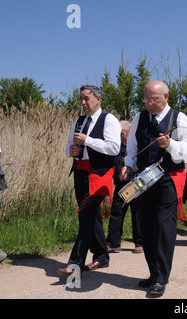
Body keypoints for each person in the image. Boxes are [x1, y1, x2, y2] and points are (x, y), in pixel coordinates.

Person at [121, 81, 187, 296]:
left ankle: (162, 278)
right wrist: (128, 165)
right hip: (143, 180)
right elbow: (133, 146)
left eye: (154, 99)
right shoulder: (139, 117)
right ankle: (153, 273)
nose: (149, 103)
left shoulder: (178, 118)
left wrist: (170, 144)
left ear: (166, 97)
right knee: (147, 227)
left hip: (167, 179)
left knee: (164, 228)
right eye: (146, 98)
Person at [58, 85, 121, 277]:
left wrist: (87, 141)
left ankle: (74, 264)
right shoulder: (78, 121)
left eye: (87, 99)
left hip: (99, 175)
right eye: (81, 99)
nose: (83, 103)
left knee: (85, 217)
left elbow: (114, 148)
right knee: (91, 215)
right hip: (80, 173)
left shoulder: (108, 119)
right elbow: (70, 144)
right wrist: (71, 151)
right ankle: (101, 255)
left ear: (98, 99)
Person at [105, 120, 143, 253]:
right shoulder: (117, 146)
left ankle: (140, 243)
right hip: (121, 182)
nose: (118, 135)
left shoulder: (138, 144)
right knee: (116, 210)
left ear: (128, 133)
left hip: (136, 182)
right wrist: (117, 176)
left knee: (137, 212)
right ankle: (113, 242)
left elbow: (142, 162)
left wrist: (130, 171)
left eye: (121, 133)